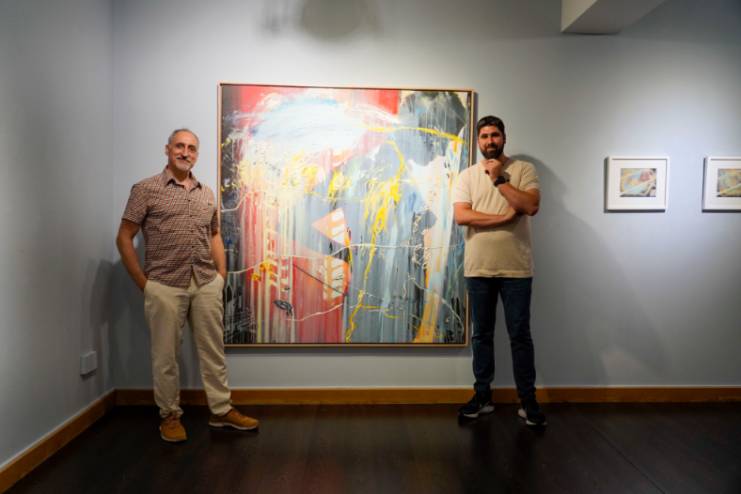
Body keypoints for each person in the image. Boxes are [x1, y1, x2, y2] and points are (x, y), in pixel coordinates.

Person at [116, 128, 259, 442]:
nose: (185, 152)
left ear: (197, 154)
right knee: (165, 355)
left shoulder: (206, 193)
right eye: (179, 146)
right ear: (167, 149)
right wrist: (144, 283)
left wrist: (221, 273)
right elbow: (124, 236)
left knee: (213, 351)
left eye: (191, 148)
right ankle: (169, 415)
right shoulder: (145, 189)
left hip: (205, 282)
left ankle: (221, 410)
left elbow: (214, 234)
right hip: (164, 283)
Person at [452, 115, 546, 427]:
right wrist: (503, 219)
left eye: (494, 135)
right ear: (477, 141)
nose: (489, 141)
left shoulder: (523, 170)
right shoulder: (467, 175)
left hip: (516, 268)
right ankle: (483, 396)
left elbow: (530, 206)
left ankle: (528, 400)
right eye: (484, 136)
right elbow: (462, 216)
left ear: (504, 137)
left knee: (520, 336)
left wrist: (499, 180)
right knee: (482, 335)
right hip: (478, 268)